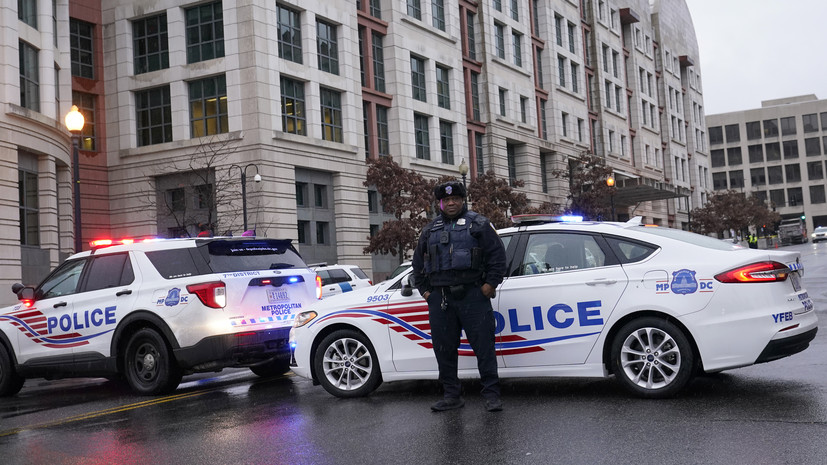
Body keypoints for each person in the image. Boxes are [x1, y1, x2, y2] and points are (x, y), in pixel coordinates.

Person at [411, 181, 507, 413]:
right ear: (439, 203)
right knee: (443, 350)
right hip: (441, 300)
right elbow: (417, 266)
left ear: (463, 200)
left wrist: (489, 285)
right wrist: (427, 294)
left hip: (473, 295)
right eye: (446, 200)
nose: (451, 203)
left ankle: (492, 396)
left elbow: (498, 257)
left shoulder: (479, 224)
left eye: (455, 199)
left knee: (484, 347)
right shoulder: (430, 230)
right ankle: (452, 396)